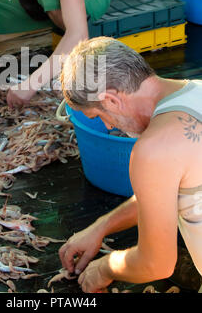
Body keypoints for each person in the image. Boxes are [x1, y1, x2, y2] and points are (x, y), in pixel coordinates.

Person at [59, 36, 202, 293]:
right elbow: (165, 190)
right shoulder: (196, 90)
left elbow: (156, 264)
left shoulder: (153, 149)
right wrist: (102, 226)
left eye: (99, 115)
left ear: (112, 100)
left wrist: (104, 268)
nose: (108, 126)